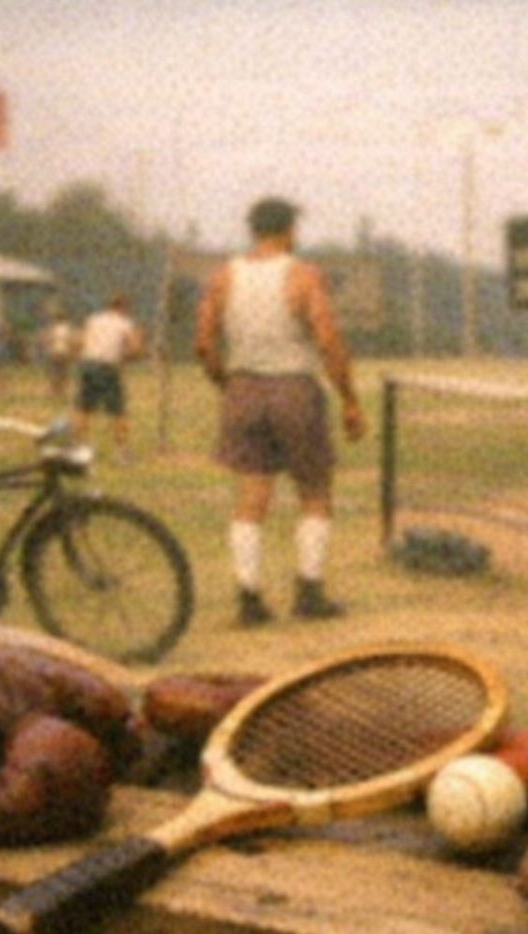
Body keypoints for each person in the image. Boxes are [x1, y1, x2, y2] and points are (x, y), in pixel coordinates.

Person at [194, 196, 366, 627]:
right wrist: (349, 399)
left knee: (251, 498)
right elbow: (327, 340)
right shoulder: (302, 274)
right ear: (289, 230)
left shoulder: (223, 276)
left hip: (243, 387)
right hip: (294, 388)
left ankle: (248, 598)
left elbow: (203, 344)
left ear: (253, 230)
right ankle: (308, 592)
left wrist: (226, 383)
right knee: (314, 491)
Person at [72, 292, 142, 463]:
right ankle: (122, 452)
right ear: (124, 307)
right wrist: (125, 357)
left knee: (83, 408)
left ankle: (82, 446)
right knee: (118, 411)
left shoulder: (93, 319)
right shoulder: (125, 323)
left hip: (87, 365)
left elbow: (79, 342)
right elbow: (135, 349)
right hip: (107, 367)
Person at [41, 310, 76, 403]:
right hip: (65, 352)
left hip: (54, 352)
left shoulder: (53, 328)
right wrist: (72, 353)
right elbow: (72, 341)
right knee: (64, 371)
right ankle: (63, 390)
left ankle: (55, 390)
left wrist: (47, 345)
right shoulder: (68, 328)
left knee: (54, 371)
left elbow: (47, 340)